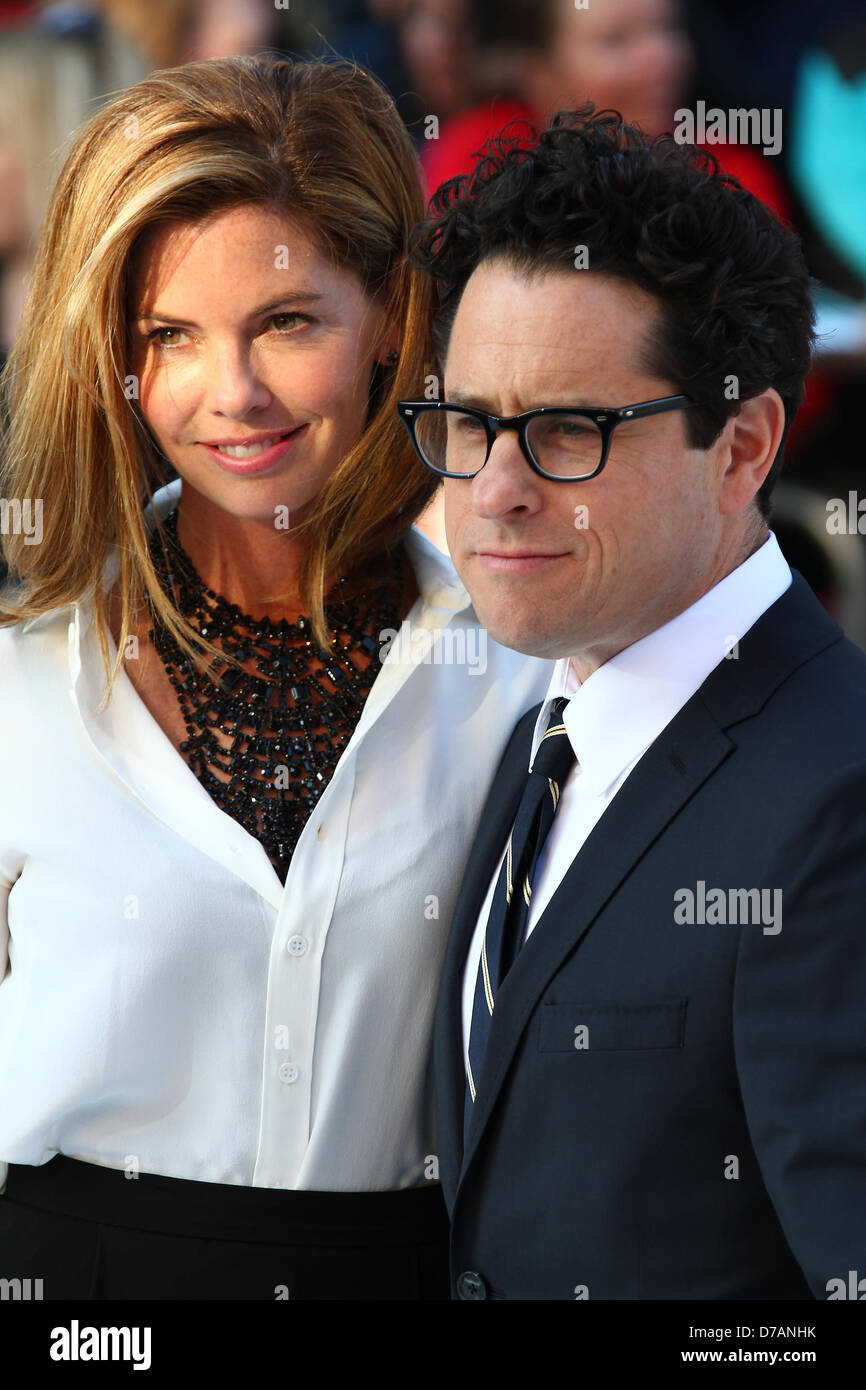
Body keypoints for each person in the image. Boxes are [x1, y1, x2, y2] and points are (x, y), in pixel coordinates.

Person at [0, 55, 550, 1301]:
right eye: (169, 337)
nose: (231, 394)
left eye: (287, 323)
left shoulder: (515, 664)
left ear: (388, 324)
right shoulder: (23, 672)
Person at [400, 106, 866, 1299]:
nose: (492, 491)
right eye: (467, 424)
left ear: (743, 447)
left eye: (565, 431)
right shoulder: (542, 729)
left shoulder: (838, 802)